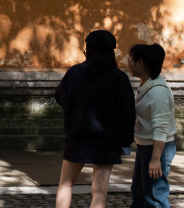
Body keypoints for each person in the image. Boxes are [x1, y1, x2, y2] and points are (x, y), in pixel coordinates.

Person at [54, 29, 136, 208]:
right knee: (99, 191)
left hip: (78, 136)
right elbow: (128, 112)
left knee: (66, 183)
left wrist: (75, 111)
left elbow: (60, 96)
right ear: (111, 52)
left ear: (88, 50)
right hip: (107, 140)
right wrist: (126, 140)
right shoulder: (119, 78)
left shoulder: (75, 72)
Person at [128, 43, 177, 208]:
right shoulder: (146, 84)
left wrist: (156, 159)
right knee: (140, 191)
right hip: (146, 146)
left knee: (155, 196)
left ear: (140, 63)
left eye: (129, 59)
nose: (127, 62)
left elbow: (161, 128)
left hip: (156, 148)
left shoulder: (158, 92)